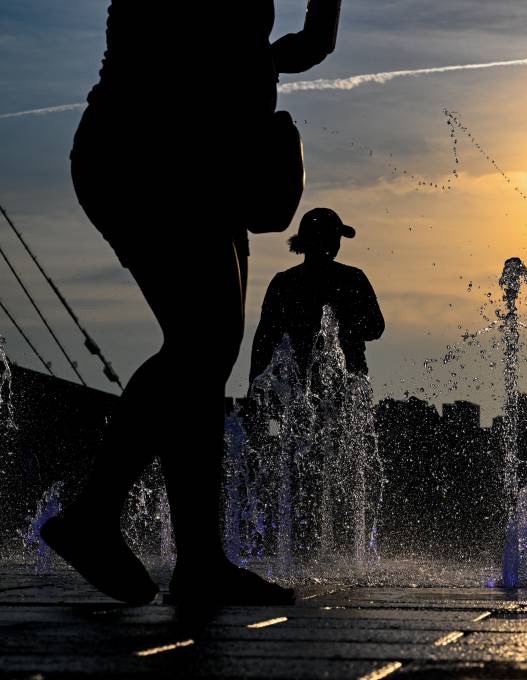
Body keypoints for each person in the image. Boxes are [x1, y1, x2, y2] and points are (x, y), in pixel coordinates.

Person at [41, 1, 342, 606]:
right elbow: (201, 49)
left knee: (206, 355)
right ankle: (95, 514)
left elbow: (309, 44)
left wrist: (262, 64)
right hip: (149, 151)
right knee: (202, 341)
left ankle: (199, 559)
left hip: (207, 158)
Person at [249, 208, 384, 383]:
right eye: (334, 236)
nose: (337, 243)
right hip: (343, 385)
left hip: (298, 388)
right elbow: (376, 327)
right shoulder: (353, 278)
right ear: (327, 240)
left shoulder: (284, 282)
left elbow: (264, 341)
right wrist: (347, 326)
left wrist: (253, 385)